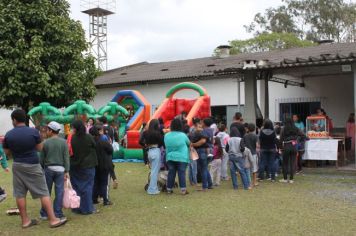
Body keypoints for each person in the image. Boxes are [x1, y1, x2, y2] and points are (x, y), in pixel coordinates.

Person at [3, 109, 67, 228]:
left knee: (20, 194)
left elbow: (6, 152)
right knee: (43, 192)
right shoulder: (33, 132)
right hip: (32, 164)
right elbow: (40, 148)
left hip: (17, 165)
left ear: (14, 120)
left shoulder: (9, 134)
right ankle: (53, 220)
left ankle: (25, 221)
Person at [39, 121, 70, 220]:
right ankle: (58, 213)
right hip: (61, 170)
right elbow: (66, 158)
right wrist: (67, 171)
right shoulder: (64, 142)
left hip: (48, 169)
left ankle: (44, 213)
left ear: (51, 131)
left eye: (47, 130)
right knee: (59, 191)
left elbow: (41, 159)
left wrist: (42, 168)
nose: (46, 131)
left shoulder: (45, 142)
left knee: (46, 191)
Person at [70, 120, 98, 215]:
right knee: (87, 187)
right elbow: (94, 145)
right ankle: (87, 208)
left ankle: (77, 207)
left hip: (75, 165)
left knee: (77, 187)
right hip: (88, 165)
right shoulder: (88, 137)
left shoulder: (73, 138)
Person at [164, 118, 190, 195]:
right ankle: (183, 190)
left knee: (171, 173)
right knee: (181, 173)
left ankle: (169, 189)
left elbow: (165, 145)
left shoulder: (166, 135)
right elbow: (189, 144)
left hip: (170, 157)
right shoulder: (183, 135)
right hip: (182, 157)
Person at [90, 125, 114, 205]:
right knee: (104, 183)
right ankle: (105, 200)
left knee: (96, 182)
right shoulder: (103, 141)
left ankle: (94, 198)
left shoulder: (91, 141)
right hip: (104, 164)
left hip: (94, 164)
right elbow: (110, 150)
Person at [279, 118, 303, 183]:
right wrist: (297, 140)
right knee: (293, 163)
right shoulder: (296, 128)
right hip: (294, 147)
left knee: (285, 163)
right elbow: (302, 135)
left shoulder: (283, 129)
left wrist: (280, 148)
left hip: (286, 146)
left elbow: (281, 139)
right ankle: (291, 179)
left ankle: (285, 178)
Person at [191, 119, 213, 191]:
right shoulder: (210, 130)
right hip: (208, 151)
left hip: (201, 151)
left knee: (203, 169)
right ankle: (209, 184)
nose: (200, 125)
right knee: (205, 168)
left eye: (201, 123)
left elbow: (203, 141)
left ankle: (204, 187)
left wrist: (193, 144)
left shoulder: (203, 131)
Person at [145, 119, 164, 195]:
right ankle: (152, 189)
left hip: (149, 151)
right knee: (155, 172)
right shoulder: (158, 133)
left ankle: (153, 187)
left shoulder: (147, 133)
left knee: (153, 171)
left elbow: (144, 142)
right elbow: (161, 142)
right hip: (156, 150)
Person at [188, 118, 201, 186]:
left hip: (189, 148)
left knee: (190, 166)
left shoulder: (190, 129)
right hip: (193, 148)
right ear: (197, 124)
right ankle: (195, 182)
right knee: (194, 166)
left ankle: (191, 181)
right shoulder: (195, 131)